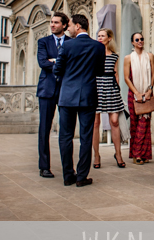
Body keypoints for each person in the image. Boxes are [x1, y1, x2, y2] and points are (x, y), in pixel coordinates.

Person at [53, 14, 106, 187]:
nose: (68, 29)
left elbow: (58, 69)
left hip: (67, 96)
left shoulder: (67, 45)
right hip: (88, 96)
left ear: (77, 26)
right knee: (86, 137)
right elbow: (100, 71)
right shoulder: (98, 46)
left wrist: (67, 81)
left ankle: (68, 175)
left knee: (65, 137)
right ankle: (82, 176)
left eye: (69, 26)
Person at [36, 11, 70, 178]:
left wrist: (53, 60)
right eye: (51, 22)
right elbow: (42, 62)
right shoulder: (43, 42)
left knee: (66, 130)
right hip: (47, 90)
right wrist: (60, 61)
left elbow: (72, 64)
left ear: (64, 25)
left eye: (56, 22)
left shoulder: (71, 42)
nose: (52, 25)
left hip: (66, 89)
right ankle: (44, 167)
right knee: (44, 129)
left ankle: (67, 169)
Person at [93, 28, 127, 169]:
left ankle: (118, 154)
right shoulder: (93, 54)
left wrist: (117, 90)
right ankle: (96, 156)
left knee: (114, 122)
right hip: (97, 87)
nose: (100, 38)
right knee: (95, 123)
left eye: (103, 36)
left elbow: (116, 74)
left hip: (111, 87)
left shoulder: (114, 56)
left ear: (109, 38)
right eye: (98, 36)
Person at [123, 31, 154, 165]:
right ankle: (137, 153)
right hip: (133, 94)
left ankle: (141, 154)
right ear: (132, 42)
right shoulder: (128, 58)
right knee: (135, 124)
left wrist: (149, 90)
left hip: (147, 94)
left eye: (141, 39)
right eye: (137, 40)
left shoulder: (150, 56)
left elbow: (153, 75)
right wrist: (136, 92)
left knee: (144, 124)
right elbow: (126, 77)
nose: (140, 41)